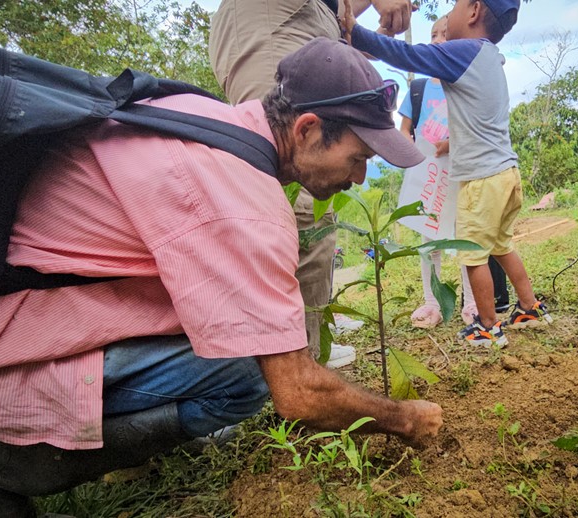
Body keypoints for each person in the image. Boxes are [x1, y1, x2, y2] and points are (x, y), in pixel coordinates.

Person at [0, 39, 443, 517]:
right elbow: (297, 394)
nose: (361, 174)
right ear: (307, 128)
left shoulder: (192, 115)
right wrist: (401, 419)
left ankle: (120, 446)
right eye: (358, 154)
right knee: (243, 376)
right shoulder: (245, 202)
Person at [210, 0, 414, 368]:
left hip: (306, 21)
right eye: (359, 161)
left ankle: (300, 339)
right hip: (278, 16)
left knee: (307, 196)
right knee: (297, 202)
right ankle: (287, 360)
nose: (360, 179)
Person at [345, 0, 552, 349]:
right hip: (507, 173)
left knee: (471, 253)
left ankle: (487, 325)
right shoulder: (489, 58)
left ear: (472, 11)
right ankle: (530, 307)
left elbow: (407, 55)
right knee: (502, 245)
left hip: (483, 178)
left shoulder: (464, 52)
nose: (449, 16)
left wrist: (355, 31)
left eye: (454, 6)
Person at [397, 16, 509, 329]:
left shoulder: (465, 87)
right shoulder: (418, 89)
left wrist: (452, 143)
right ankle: (431, 303)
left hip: (462, 176)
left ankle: (471, 303)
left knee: (464, 237)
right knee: (428, 239)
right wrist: (412, 149)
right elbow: (404, 129)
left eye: (445, 35)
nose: (438, 40)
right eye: (433, 35)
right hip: (428, 179)